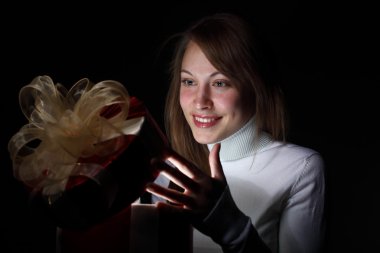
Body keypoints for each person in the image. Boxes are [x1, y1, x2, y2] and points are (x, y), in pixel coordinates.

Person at [145, 12, 326, 253]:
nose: (200, 102)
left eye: (220, 83)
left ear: (255, 88)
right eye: (189, 82)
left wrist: (229, 226)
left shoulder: (300, 168)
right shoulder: (165, 172)